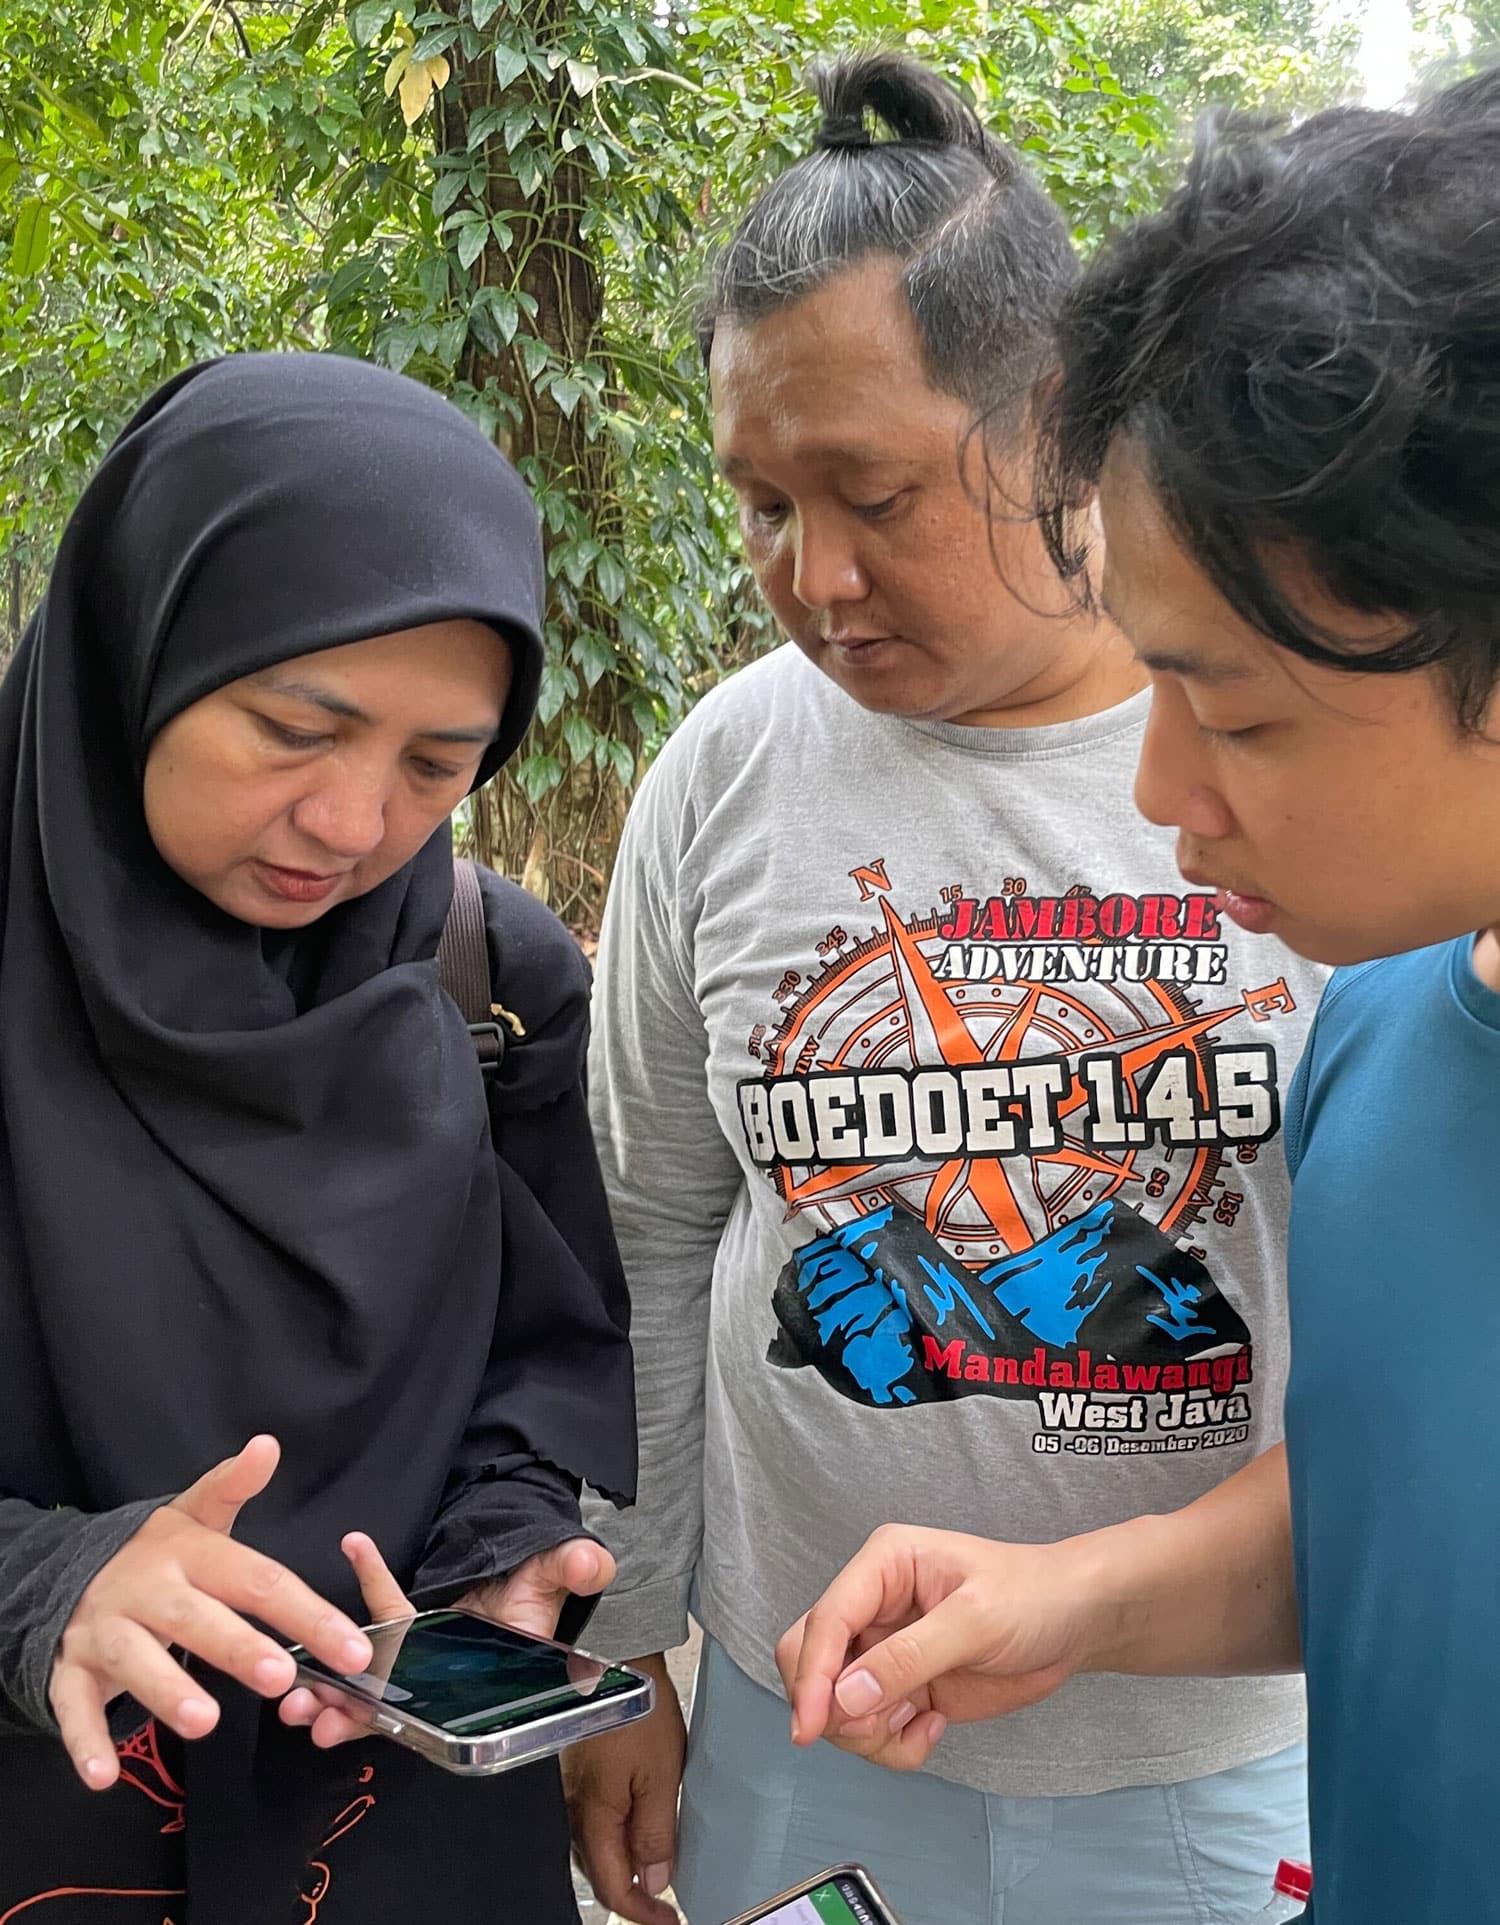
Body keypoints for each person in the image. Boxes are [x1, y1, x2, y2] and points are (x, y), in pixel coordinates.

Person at [567, 50, 1323, 1925]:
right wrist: (627, 1642)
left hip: (1210, 1758)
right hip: (797, 1720)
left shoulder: (1267, 744)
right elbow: (650, 1232)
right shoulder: (724, 775)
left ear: (1052, 418)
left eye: (873, 492)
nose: (812, 577)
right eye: (758, 502)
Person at [777, 65, 1500, 1925]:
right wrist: (1082, 1595)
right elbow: (1397, 1526)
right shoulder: (1390, 1034)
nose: (1166, 800)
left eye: (1236, 706)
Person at [0, 351, 636, 1924]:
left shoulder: (489, 983)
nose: (353, 824)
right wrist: (45, 1581)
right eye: (296, 726)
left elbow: (537, 1360)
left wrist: (506, 1549)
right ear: (139, 650)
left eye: (438, 764)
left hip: (397, 1825)